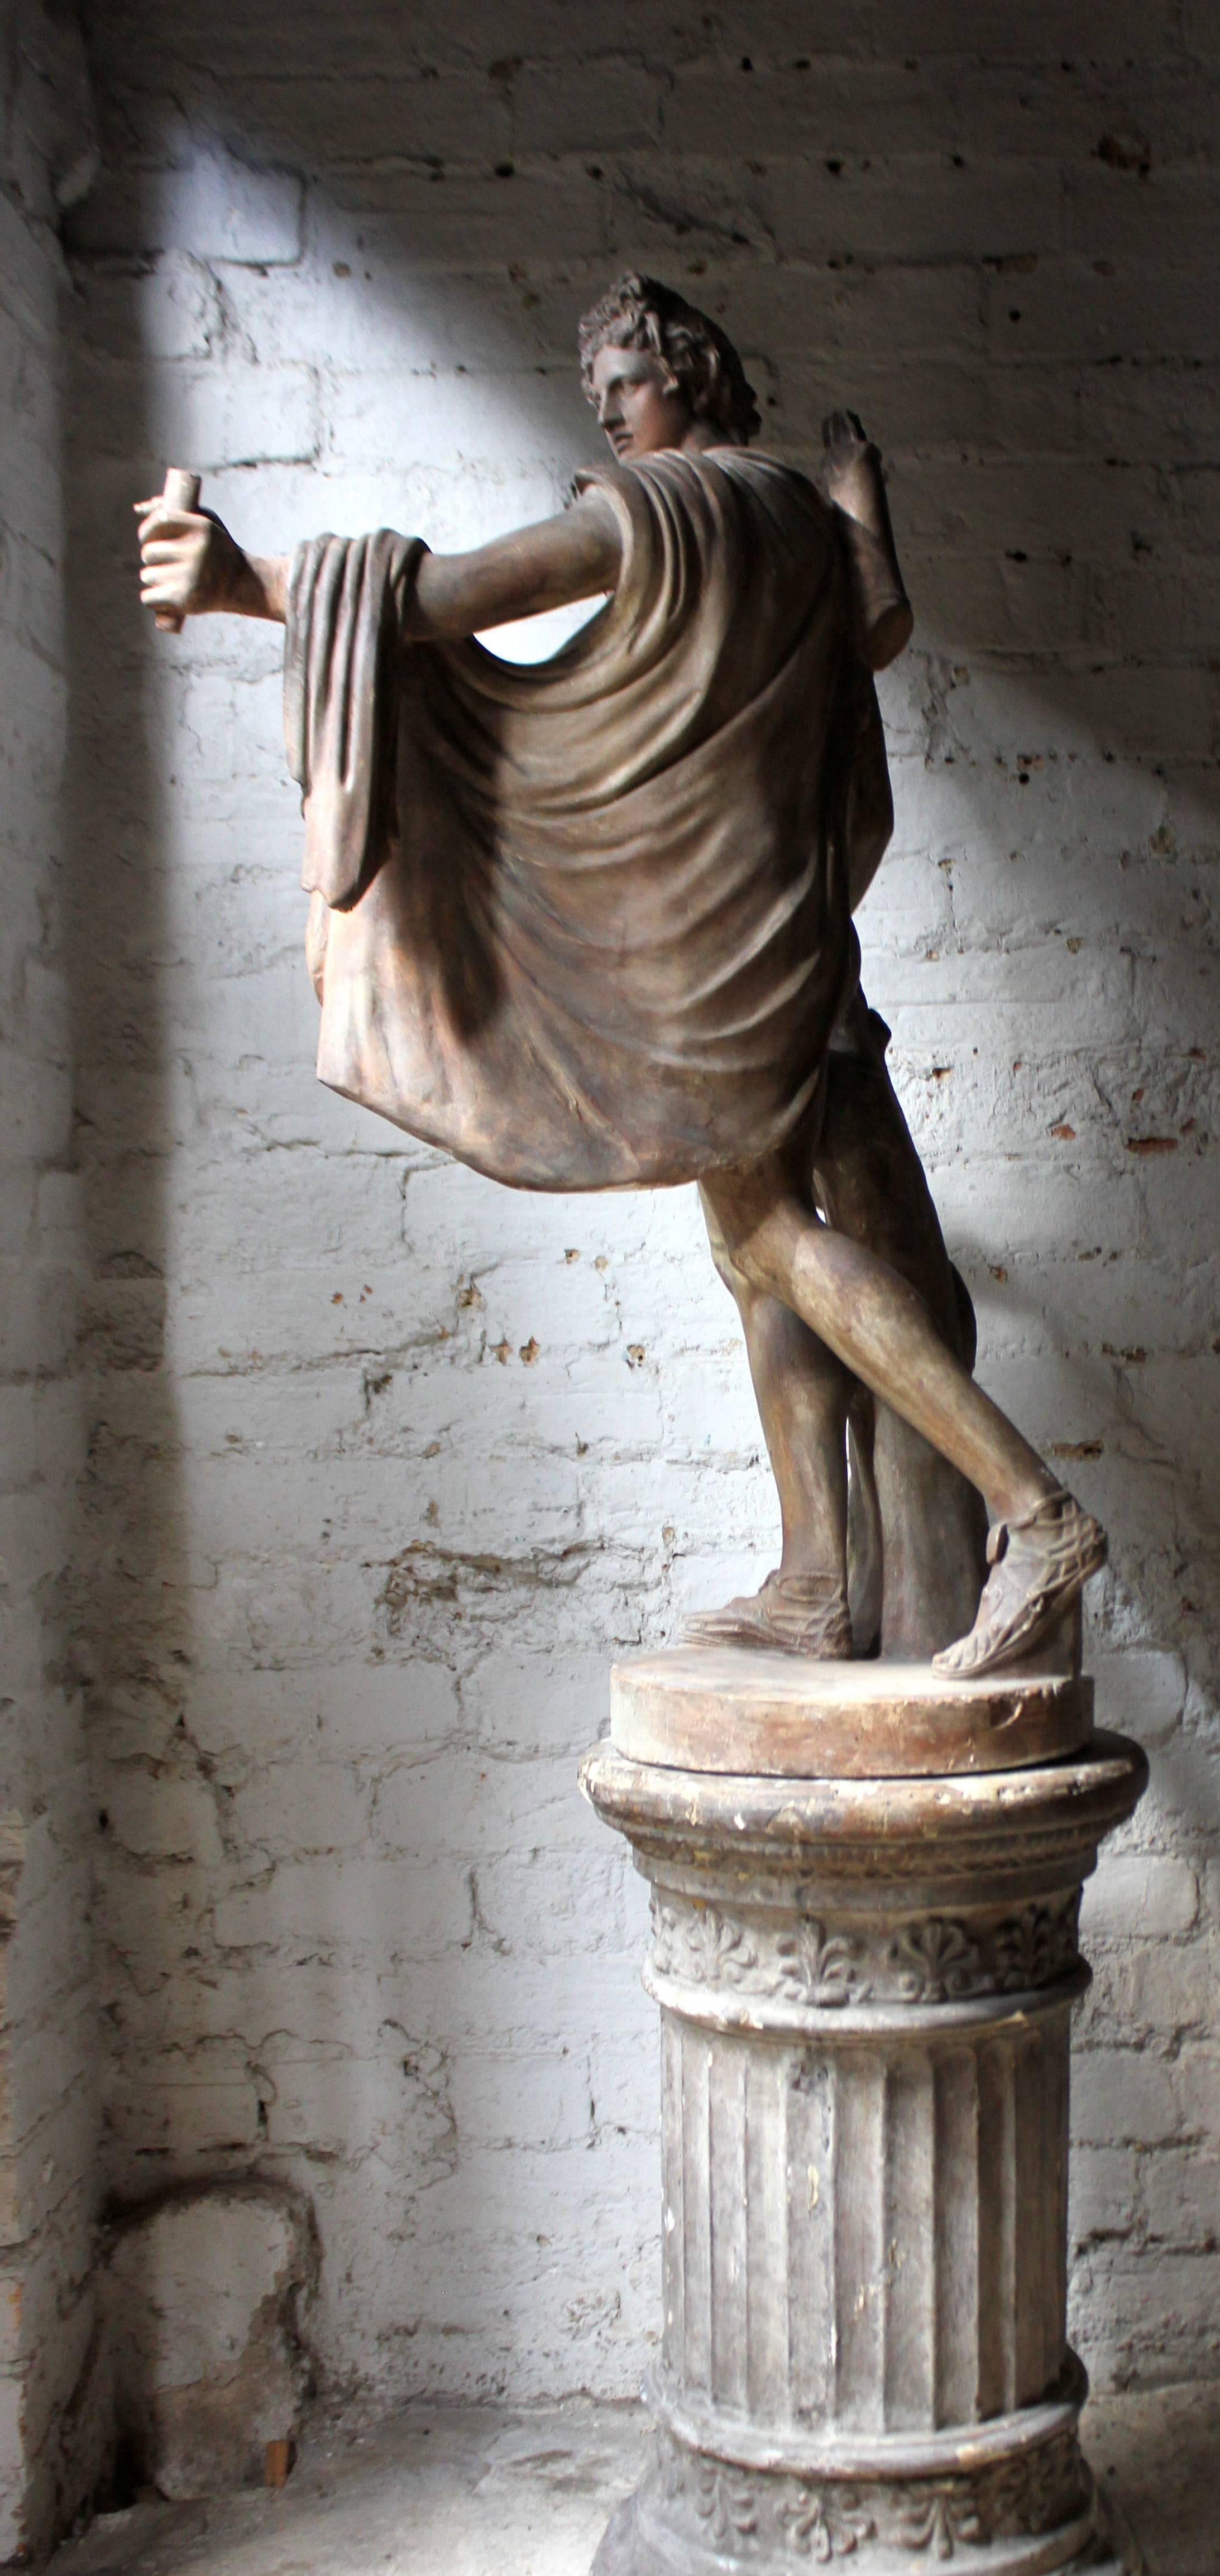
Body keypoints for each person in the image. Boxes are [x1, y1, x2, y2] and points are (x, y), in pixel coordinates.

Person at [135, 275, 1103, 1678]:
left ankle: (1039, 1516)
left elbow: (445, 597)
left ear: (695, 377)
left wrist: (248, 584)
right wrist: (859, 506)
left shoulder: (668, 509)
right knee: (749, 1244)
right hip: (793, 924)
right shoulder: (803, 531)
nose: (609, 413)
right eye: (598, 395)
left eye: (627, 386)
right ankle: (824, 1579)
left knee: (774, 1237)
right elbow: (872, 638)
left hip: (720, 946)